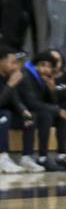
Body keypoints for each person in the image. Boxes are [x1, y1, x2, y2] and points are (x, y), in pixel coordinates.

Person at [19, 51, 66, 171]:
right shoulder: (26, 75)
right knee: (47, 115)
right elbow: (31, 102)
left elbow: (52, 102)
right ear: (36, 65)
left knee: (62, 116)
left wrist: (52, 90)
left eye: (49, 67)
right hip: (23, 111)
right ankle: (42, 157)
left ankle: (61, 155)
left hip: (37, 109)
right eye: (43, 65)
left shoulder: (44, 78)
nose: (46, 69)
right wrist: (56, 109)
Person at [0, 45, 34, 173]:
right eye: (12, 62)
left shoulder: (8, 76)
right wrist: (10, 84)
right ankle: (2, 158)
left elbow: (15, 100)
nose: (16, 66)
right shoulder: (9, 80)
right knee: (5, 115)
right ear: (1, 62)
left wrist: (23, 111)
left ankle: (26, 157)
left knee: (29, 117)